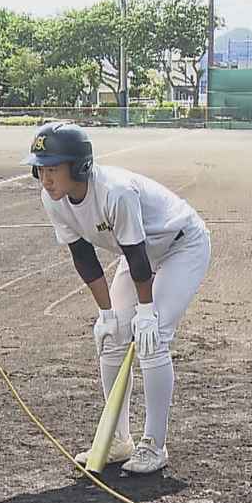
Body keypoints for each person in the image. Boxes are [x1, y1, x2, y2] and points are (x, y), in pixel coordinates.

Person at [24, 122, 211, 474]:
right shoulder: (54, 200)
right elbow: (84, 257)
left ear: (79, 167)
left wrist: (146, 312)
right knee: (112, 338)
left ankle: (154, 445)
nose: (45, 178)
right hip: (139, 254)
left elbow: (138, 258)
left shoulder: (115, 191)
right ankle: (118, 440)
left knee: (152, 339)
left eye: (52, 169)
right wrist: (107, 313)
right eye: (40, 169)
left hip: (181, 246)